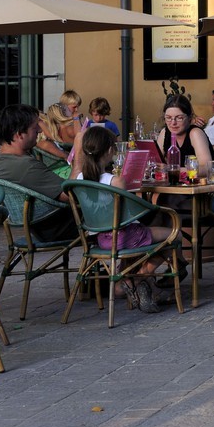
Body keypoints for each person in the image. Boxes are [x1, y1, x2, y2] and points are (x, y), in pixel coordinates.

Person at [71, 126, 172, 314]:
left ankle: (144, 286)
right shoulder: (115, 181)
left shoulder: (79, 178)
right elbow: (129, 213)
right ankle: (138, 277)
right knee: (174, 234)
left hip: (101, 239)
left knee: (142, 233)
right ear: (110, 151)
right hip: (125, 235)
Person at [0, 103, 78, 240]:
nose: (40, 130)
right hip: (57, 226)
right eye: (35, 127)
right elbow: (72, 195)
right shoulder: (26, 166)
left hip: (33, 225)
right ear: (19, 135)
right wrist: (78, 158)